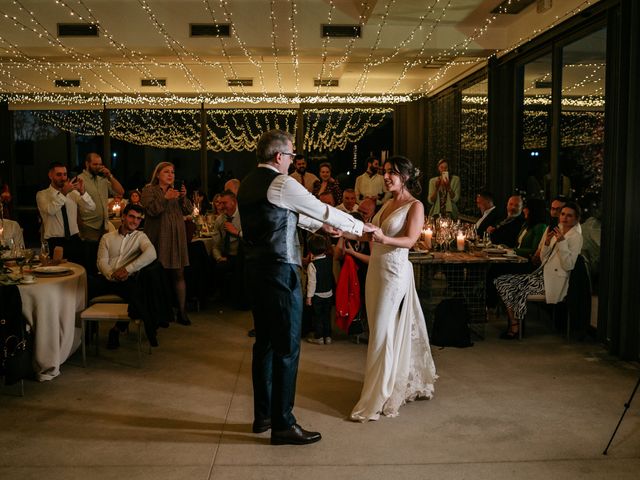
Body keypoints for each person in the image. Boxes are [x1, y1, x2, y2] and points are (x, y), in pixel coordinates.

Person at [237, 129, 371, 445]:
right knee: (287, 347)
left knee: (266, 344)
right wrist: (360, 228)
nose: (295, 159)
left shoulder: (247, 184)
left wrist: (321, 227)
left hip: (255, 271)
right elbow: (318, 208)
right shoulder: (282, 182)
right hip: (281, 271)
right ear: (280, 156)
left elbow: (286, 215)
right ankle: (284, 424)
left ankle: (264, 416)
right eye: (293, 154)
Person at [350, 155, 436, 422]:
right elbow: (370, 234)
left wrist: (384, 237)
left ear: (406, 177)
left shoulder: (415, 205)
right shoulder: (387, 203)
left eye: (392, 173)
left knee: (384, 330)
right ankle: (379, 382)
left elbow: (411, 240)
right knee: (377, 329)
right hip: (375, 271)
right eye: (385, 172)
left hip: (394, 273)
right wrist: (347, 231)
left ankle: (380, 393)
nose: (386, 176)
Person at [494, 202, 583, 340]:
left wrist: (562, 242)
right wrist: (547, 243)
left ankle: (515, 326)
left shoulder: (576, 237)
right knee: (500, 281)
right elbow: (543, 258)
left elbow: (569, 265)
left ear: (576, 219)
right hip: (542, 275)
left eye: (569, 216)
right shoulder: (557, 229)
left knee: (511, 286)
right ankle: (515, 322)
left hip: (554, 281)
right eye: (563, 214)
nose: (564, 218)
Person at [95, 204, 167, 348]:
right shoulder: (107, 238)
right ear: (123, 216)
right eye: (131, 216)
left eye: (139, 219)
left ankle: (116, 330)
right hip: (106, 278)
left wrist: (127, 270)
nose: (135, 221)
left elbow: (152, 254)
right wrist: (111, 275)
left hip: (126, 281)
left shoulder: (140, 236)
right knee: (83, 287)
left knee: (137, 295)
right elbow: (101, 262)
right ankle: (85, 334)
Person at [141, 162, 194, 326]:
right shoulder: (149, 190)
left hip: (177, 236)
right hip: (158, 236)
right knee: (158, 275)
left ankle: (182, 311)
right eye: (166, 172)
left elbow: (188, 211)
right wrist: (165, 198)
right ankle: (160, 312)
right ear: (158, 174)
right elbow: (151, 211)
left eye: (172, 172)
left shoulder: (177, 191)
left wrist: (183, 197)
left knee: (179, 273)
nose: (170, 175)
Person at [485, 198, 547, 308]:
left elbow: (534, 249)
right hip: (517, 259)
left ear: (533, 210)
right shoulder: (527, 225)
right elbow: (518, 244)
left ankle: (491, 305)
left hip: (528, 265)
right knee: (493, 268)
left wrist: (512, 250)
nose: (524, 210)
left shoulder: (540, 227)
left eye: (526, 208)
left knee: (495, 270)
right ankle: (490, 303)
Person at [36, 162, 95, 264]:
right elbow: (51, 211)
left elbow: (91, 207)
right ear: (50, 176)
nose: (63, 178)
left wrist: (82, 192)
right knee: (58, 274)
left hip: (74, 240)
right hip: (55, 242)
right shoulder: (42, 194)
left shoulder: (73, 193)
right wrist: (63, 193)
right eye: (59, 175)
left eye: (65, 174)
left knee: (80, 272)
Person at [78, 153, 125, 260]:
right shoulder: (80, 180)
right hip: (88, 226)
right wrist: (80, 227)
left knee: (103, 260)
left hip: (103, 226)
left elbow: (120, 191)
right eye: (95, 164)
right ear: (87, 164)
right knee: (90, 260)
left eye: (100, 164)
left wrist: (110, 176)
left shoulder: (103, 180)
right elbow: (75, 205)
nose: (98, 167)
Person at [212, 190, 244, 307]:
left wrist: (236, 232)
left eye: (224, 203)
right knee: (217, 266)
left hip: (242, 254)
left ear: (234, 202)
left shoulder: (243, 217)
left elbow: (252, 237)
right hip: (227, 255)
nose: (221, 206)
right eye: (220, 203)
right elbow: (215, 245)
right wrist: (219, 257)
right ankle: (222, 296)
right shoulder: (220, 220)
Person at [305, 234, 334, 345]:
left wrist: (309, 297)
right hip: (329, 293)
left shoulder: (312, 265)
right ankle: (328, 336)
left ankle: (319, 337)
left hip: (317, 295)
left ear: (310, 249)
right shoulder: (329, 260)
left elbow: (312, 282)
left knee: (317, 317)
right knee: (327, 316)